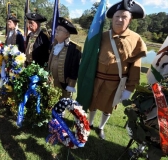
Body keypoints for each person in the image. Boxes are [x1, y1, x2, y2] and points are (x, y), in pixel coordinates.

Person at [87, 0, 147, 140]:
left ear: (130, 20)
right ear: (112, 19)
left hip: (116, 82)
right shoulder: (101, 36)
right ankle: (88, 124)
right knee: (93, 103)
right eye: (116, 16)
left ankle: (100, 127)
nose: (119, 19)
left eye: (124, 17)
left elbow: (135, 66)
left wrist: (129, 88)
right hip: (97, 79)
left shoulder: (136, 39)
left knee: (109, 107)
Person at [48, 17, 81, 98]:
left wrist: (71, 85)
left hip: (64, 85)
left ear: (67, 34)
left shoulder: (74, 49)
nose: (56, 31)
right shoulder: (53, 45)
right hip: (51, 82)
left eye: (59, 29)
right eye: (57, 29)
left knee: (61, 106)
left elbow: (75, 69)